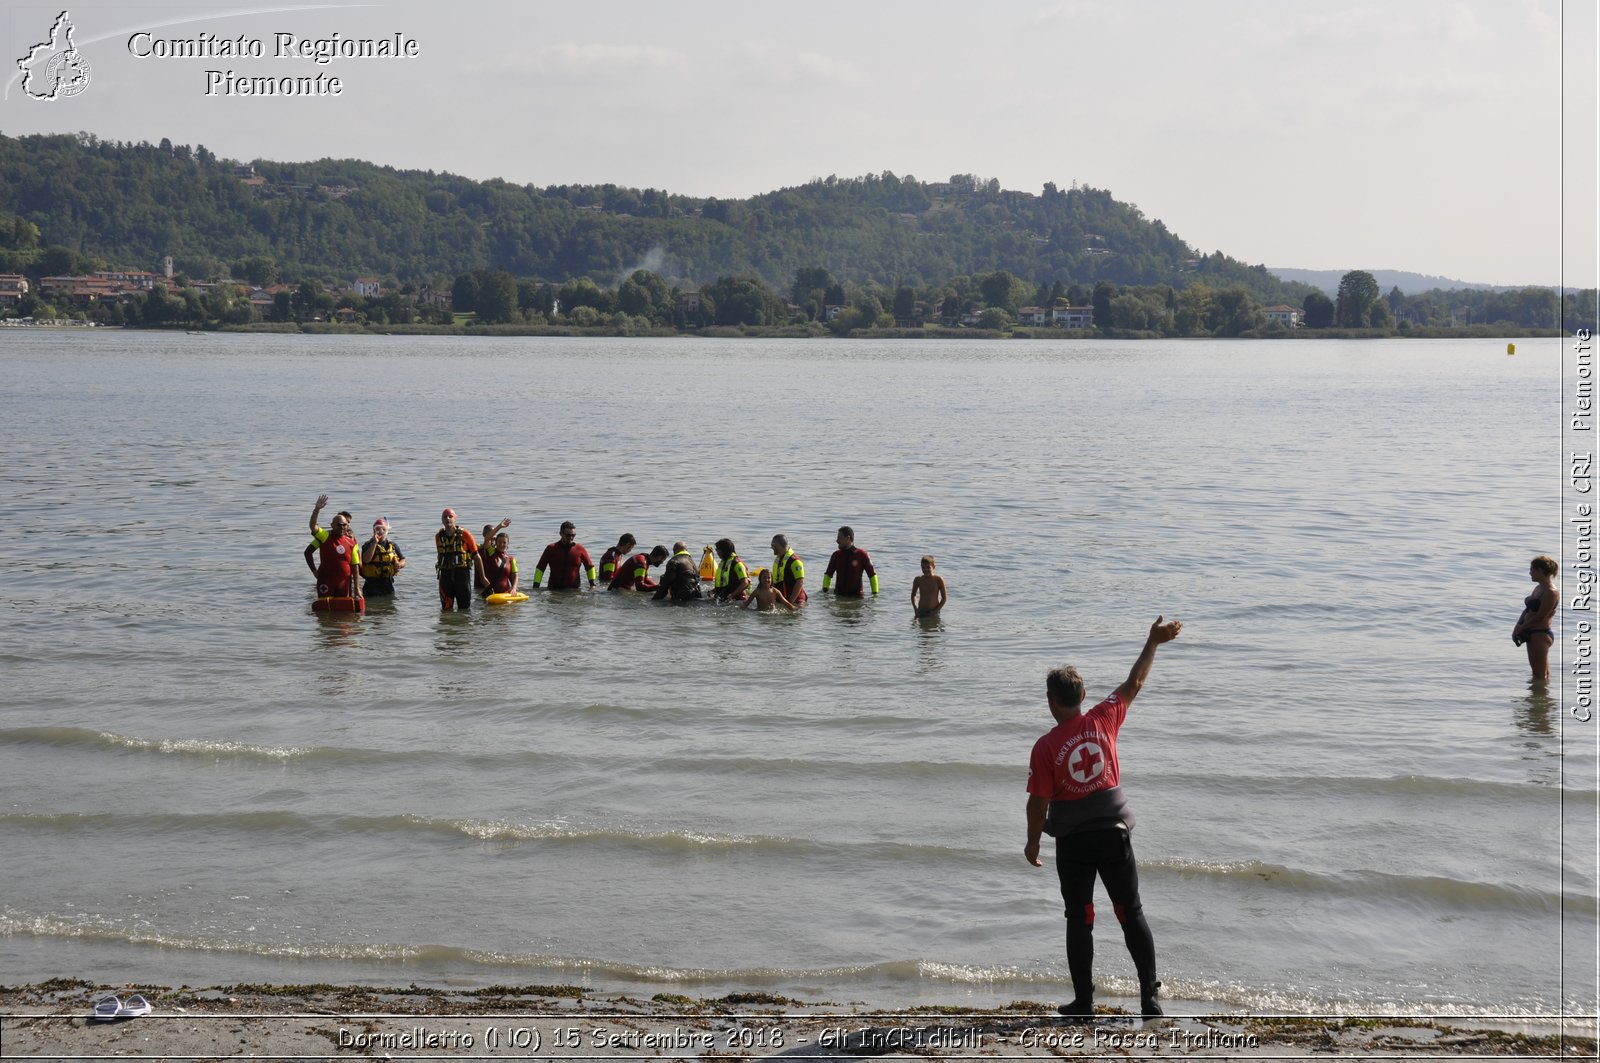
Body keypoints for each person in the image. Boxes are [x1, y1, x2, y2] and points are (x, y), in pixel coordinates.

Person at [1024, 615, 1183, 1021]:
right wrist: (1153, 642)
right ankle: (1150, 998)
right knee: (1131, 911)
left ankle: (1084, 1003)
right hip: (1114, 834)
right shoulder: (1103, 718)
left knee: (1080, 917)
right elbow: (1135, 683)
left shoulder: (1045, 747)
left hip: (1074, 842)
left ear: (1050, 700)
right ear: (1083, 695)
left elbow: (1039, 802)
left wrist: (1033, 841)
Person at [304, 494, 361, 599]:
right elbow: (312, 526)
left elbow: (355, 565)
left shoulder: (351, 542)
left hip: (344, 583)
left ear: (348, 525)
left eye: (344, 525)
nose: (342, 527)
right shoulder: (324, 536)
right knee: (324, 612)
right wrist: (316, 509)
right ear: (332, 525)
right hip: (326, 580)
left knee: (345, 612)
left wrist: (357, 588)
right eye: (339, 525)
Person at [1512, 555, 1559, 680]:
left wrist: (1522, 628)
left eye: (1532, 569)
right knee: (1540, 674)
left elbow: (1540, 616)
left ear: (1540, 571)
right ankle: (1543, 698)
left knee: (1539, 675)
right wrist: (1518, 626)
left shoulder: (1551, 592)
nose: (1529, 573)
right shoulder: (1539, 588)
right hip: (1531, 632)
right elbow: (1528, 610)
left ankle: (1540, 698)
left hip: (1540, 634)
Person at [435, 508, 488, 610]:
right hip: (445, 577)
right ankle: (446, 626)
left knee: (464, 609)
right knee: (446, 609)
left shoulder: (465, 535)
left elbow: (477, 557)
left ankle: (463, 626)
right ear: (442, 520)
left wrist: (483, 577)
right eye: (445, 517)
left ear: (455, 518)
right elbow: (440, 555)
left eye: (450, 516)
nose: (448, 519)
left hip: (462, 576)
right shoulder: (438, 537)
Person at [532, 521, 598, 590]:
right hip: (554, 590)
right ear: (561, 534)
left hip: (574, 591)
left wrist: (592, 584)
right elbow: (540, 568)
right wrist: (536, 587)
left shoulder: (580, 549)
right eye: (568, 535)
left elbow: (590, 567)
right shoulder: (551, 548)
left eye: (573, 535)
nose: (571, 537)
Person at [821, 525, 878, 597]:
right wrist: (825, 591)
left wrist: (875, 595)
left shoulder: (862, 554)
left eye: (839, 538)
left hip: (857, 598)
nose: (837, 541)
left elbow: (872, 575)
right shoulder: (836, 555)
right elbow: (828, 574)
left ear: (848, 538)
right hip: (839, 596)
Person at [359, 517, 406, 597]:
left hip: (388, 584)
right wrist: (374, 543)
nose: (380, 532)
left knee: (390, 608)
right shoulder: (368, 545)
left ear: (387, 531)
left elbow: (403, 559)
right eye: (377, 529)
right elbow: (366, 560)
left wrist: (400, 564)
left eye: (383, 529)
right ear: (374, 531)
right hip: (371, 585)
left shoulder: (393, 545)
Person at [769, 534, 807, 606]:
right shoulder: (778, 559)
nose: (771, 547)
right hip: (783, 598)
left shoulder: (795, 561)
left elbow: (800, 582)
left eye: (773, 545)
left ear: (778, 545)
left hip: (796, 600)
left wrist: (790, 602)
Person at [480, 531, 519, 596]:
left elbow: (515, 575)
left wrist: (514, 588)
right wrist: (500, 526)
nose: (501, 544)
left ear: (507, 544)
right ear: (496, 542)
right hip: (490, 594)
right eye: (499, 542)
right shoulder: (491, 552)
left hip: (505, 594)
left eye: (504, 542)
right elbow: (487, 539)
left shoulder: (511, 559)